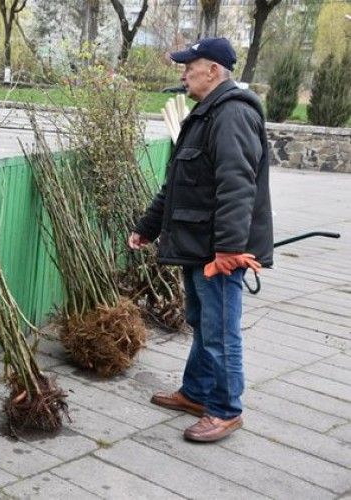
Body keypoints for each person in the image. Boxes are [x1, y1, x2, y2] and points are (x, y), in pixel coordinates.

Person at [128, 37, 273, 443]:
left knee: (220, 331)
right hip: (198, 244)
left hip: (218, 251)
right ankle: (195, 393)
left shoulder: (232, 115)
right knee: (201, 323)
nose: (183, 72)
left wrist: (228, 250)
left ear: (212, 70)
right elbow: (176, 184)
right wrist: (148, 226)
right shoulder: (205, 116)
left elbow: (237, 186)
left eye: (189, 65)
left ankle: (226, 410)